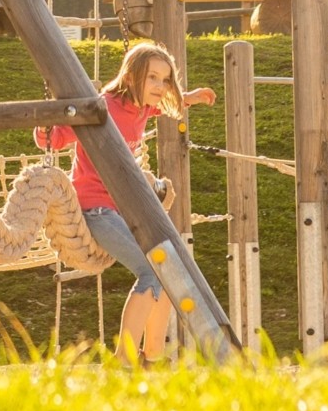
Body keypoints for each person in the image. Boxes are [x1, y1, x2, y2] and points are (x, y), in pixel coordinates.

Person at [34, 40, 216, 362]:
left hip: (121, 208)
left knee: (169, 267)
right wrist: (47, 122)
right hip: (94, 210)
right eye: (152, 78)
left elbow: (164, 105)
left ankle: (152, 357)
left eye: (165, 79)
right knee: (151, 270)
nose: (160, 86)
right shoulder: (101, 108)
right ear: (131, 77)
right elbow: (55, 139)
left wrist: (190, 97)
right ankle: (123, 359)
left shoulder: (143, 106)